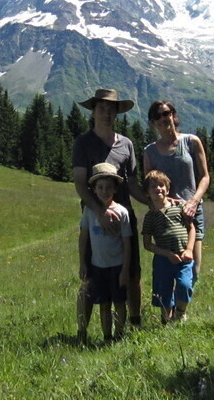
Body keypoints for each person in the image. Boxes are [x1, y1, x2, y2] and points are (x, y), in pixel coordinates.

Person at [72, 88, 148, 329]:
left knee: (131, 273)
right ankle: (82, 330)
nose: (106, 113)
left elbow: (133, 184)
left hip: (125, 219)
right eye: (102, 108)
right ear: (93, 111)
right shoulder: (83, 143)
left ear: (117, 113)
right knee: (90, 276)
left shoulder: (126, 144)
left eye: (111, 109)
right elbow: (80, 184)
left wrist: (155, 204)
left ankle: (134, 323)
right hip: (94, 219)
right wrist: (99, 212)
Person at [143, 100, 210, 286]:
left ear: (173, 115)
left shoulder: (191, 141)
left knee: (193, 267)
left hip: (192, 211)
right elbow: (148, 185)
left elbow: (205, 177)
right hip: (166, 215)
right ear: (152, 122)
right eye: (157, 116)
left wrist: (193, 202)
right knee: (169, 266)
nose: (162, 118)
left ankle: (181, 311)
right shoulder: (149, 152)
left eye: (166, 113)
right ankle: (170, 310)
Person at [78, 162, 132, 344]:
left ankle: (119, 335)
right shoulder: (89, 211)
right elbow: (83, 237)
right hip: (98, 266)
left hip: (117, 267)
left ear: (115, 189)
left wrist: (125, 270)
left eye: (109, 187)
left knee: (119, 303)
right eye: (100, 187)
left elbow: (127, 242)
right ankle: (107, 336)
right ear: (93, 189)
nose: (104, 191)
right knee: (104, 303)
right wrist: (83, 263)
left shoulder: (122, 212)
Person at [141, 169, 195, 323]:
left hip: (184, 257)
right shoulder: (150, 217)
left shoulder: (179, 208)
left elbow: (191, 228)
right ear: (147, 193)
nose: (158, 188)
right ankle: (166, 321)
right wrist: (167, 254)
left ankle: (180, 312)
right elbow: (147, 244)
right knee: (163, 291)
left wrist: (189, 250)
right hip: (163, 260)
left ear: (168, 189)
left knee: (184, 285)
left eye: (161, 185)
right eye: (153, 186)